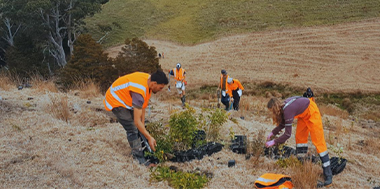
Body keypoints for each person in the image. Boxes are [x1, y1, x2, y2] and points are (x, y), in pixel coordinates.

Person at [103, 70, 169, 166]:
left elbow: (142, 107)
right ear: (154, 83)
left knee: (140, 126)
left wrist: (143, 128)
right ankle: (140, 160)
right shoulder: (139, 92)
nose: (160, 90)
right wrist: (149, 137)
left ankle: (143, 149)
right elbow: (137, 121)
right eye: (160, 88)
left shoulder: (148, 80)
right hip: (115, 99)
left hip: (126, 98)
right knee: (132, 128)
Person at [265, 96, 332, 187]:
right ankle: (303, 164)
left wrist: (274, 142)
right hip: (303, 115)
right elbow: (283, 123)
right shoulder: (283, 107)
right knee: (300, 139)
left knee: (318, 140)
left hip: (312, 111)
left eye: (271, 111)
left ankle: (328, 173)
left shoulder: (288, 110)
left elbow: (287, 134)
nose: (271, 114)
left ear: (275, 109)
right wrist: (272, 132)